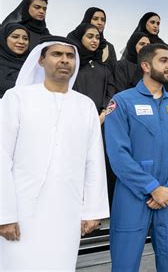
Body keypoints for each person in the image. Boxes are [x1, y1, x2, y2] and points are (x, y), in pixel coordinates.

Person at [0, 36, 109, 270]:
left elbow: (94, 162)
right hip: (21, 210)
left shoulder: (85, 105)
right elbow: (1, 157)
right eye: (57, 54)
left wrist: (93, 210)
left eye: (70, 56)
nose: (64, 60)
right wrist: (4, 214)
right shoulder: (17, 98)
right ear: (41, 60)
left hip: (66, 211)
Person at [104, 43, 168, 271]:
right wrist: (152, 187)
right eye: (163, 60)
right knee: (125, 262)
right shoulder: (122, 102)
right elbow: (118, 154)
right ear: (145, 65)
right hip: (133, 194)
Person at [67, 23, 116, 116]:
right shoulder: (70, 64)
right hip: (73, 116)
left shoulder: (103, 68)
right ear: (80, 37)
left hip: (100, 121)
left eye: (97, 38)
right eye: (90, 37)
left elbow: (110, 92)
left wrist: (104, 112)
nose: (95, 41)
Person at [0, 23, 30, 97]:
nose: (21, 42)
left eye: (25, 38)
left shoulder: (33, 63)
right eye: (15, 37)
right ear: (4, 38)